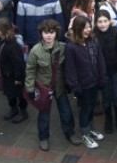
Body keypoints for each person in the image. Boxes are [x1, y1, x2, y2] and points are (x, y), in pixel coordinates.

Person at [25, 19, 78, 151]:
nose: (48, 35)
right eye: (45, 32)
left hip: (59, 87)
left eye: (51, 32)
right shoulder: (35, 51)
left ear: (56, 33)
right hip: (44, 88)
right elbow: (30, 70)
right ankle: (43, 137)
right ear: (41, 34)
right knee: (44, 115)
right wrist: (30, 88)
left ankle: (70, 133)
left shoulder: (62, 47)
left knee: (66, 112)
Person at [64, 15, 108, 149]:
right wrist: (75, 86)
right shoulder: (71, 46)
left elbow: (100, 59)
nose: (88, 30)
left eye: (89, 26)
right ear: (78, 29)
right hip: (83, 85)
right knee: (85, 109)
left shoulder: (93, 41)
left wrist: (103, 77)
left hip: (95, 82)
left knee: (92, 107)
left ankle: (90, 129)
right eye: (85, 27)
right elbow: (70, 69)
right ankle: (85, 133)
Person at [0, 17, 28, 124]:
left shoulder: (12, 46)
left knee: (19, 94)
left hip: (13, 76)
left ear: (0, 31)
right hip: (6, 75)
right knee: (9, 94)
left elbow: (19, 63)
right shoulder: (2, 42)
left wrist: (18, 78)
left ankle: (23, 111)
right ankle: (13, 108)